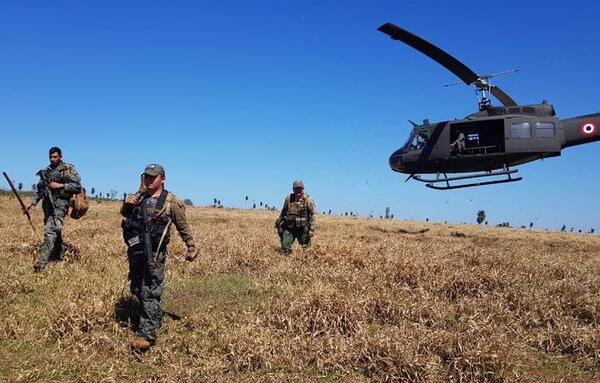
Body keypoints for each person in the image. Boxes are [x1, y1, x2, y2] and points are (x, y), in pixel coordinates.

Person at [121, 164, 197, 352]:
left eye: (152, 177)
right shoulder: (138, 198)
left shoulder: (171, 202)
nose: (148, 180)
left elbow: (183, 226)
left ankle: (146, 334)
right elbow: (126, 215)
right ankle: (153, 316)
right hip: (136, 250)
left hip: (155, 253)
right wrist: (127, 205)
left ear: (162, 178)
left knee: (151, 290)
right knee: (137, 287)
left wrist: (191, 247)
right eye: (146, 177)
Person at [24, 147, 81, 272]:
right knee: (56, 230)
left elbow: (77, 186)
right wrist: (32, 203)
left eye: (55, 157)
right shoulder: (46, 171)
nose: (52, 159)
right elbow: (40, 189)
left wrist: (60, 185)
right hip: (47, 205)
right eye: (50, 157)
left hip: (61, 205)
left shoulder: (67, 169)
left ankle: (41, 262)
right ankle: (58, 256)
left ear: (60, 156)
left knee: (50, 230)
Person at [275, 180, 316, 255]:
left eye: (300, 188)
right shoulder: (289, 198)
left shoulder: (308, 199)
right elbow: (284, 210)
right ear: (293, 189)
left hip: (303, 228)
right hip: (290, 227)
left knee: (307, 250)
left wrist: (312, 229)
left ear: (303, 189)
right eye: (296, 188)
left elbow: (313, 214)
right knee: (285, 249)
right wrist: (279, 220)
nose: (298, 190)